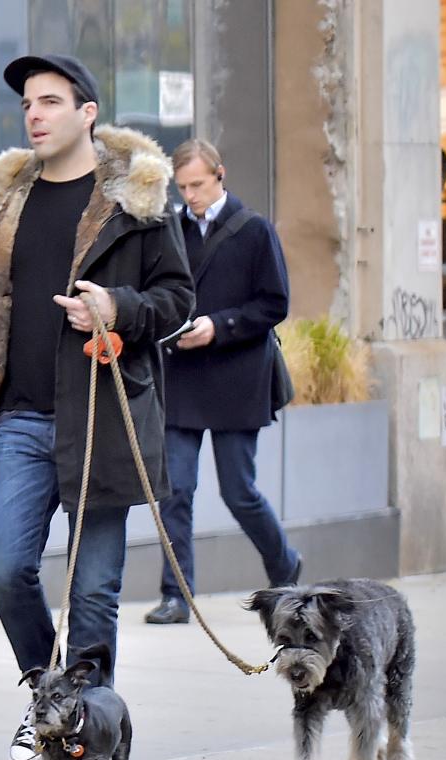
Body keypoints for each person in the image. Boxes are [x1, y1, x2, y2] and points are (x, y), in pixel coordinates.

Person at [0, 54, 193, 760]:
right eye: (28, 103)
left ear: (88, 113)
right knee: (4, 567)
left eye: (51, 101)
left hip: (101, 421)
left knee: (93, 592)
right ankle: (48, 697)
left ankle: (90, 736)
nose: (35, 114)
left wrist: (118, 307)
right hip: (21, 418)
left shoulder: (137, 202)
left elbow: (178, 300)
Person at [143, 139, 301, 626]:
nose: (189, 195)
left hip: (237, 377)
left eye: (198, 184)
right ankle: (177, 595)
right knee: (175, 490)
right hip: (183, 377)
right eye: (183, 186)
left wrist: (219, 326)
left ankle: (285, 566)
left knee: (239, 491)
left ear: (220, 175)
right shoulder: (169, 228)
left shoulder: (255, 230)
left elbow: (274, 304)